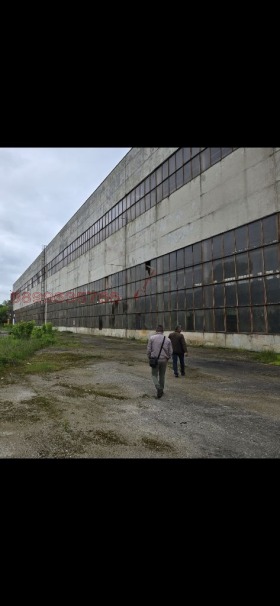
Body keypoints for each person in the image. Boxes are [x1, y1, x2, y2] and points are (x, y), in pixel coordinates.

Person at [147, 325, 173, 398]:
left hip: (154, 359)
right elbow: (171, 351)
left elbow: (149, 349)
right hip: (164, 360)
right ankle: (161, 389)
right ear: (163, 331)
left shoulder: (152, 338)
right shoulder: (167, 339)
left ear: (156, 330)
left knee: (154, 375)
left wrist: (149, 356)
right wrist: (168, 358)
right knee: (162, 375)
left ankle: (158, 388)